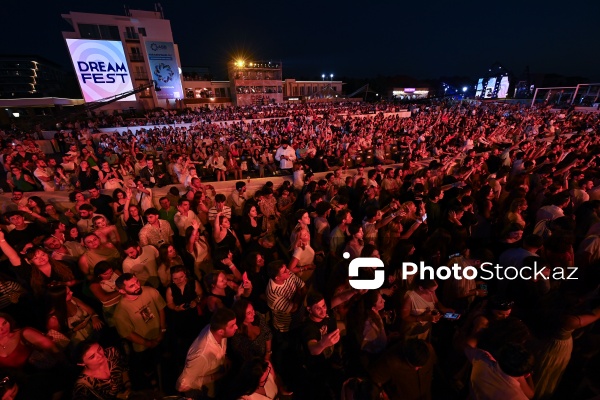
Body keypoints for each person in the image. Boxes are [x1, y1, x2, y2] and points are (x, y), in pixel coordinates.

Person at [113, 273, 166, 390]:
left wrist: (162, 330)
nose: (137, 286)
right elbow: (127, 334)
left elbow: (161, 308)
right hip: (143, 347)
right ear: (122, 291)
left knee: (164, 362)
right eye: (132, 286)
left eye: (137, 282)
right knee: (149, 368)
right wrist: (148, 343)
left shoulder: (150, 291)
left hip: (160, 336)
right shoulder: (120, 312)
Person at [176, 307, 238, 398]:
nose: (236, 327)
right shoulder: (202, 354)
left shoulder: (216, 330)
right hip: (200, 390)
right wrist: (212, 377)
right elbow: (182, 385)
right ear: (220, 331)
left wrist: (224, 358)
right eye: (232, 325)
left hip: (215, 376)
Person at [370, 339, 436, 400]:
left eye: (420, 367)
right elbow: (375, 378)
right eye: (414, 366)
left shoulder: (430, 351)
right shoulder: (391, 362)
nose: (417, 369)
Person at [464, 342, 535, 400]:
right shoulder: (517, 397)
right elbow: (530, 395)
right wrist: (527, 374)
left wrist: (478, 327)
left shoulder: (481, 359)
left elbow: (464, 345)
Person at [229, 299, 273, 365]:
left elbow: (267, 334)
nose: (254, 314)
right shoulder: (236, 335)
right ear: (241, 315)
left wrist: (268, 353)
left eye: (253, 310)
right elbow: (244, 357)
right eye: (249, 313)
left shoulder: (258, 316)